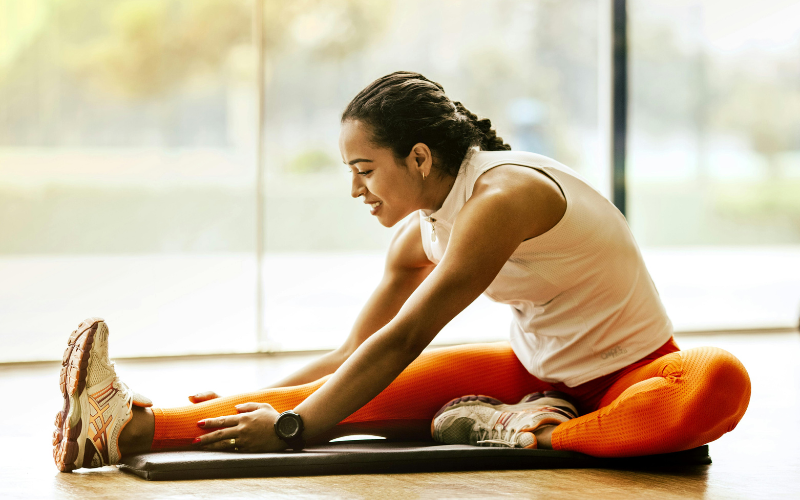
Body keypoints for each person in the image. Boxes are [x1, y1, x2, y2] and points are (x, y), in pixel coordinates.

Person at [52, 71, 751, 472]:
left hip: (636, 375)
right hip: (535, 377)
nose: (356, 190)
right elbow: (353, 357)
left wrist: (298, 429)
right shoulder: (420, 234)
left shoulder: (504, 198)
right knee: (338, 390)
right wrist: (251, 399)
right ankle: (118, 428)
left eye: (365, 169)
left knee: (720, 380)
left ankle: (527, 432)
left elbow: (409, 334)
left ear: (419, 157)